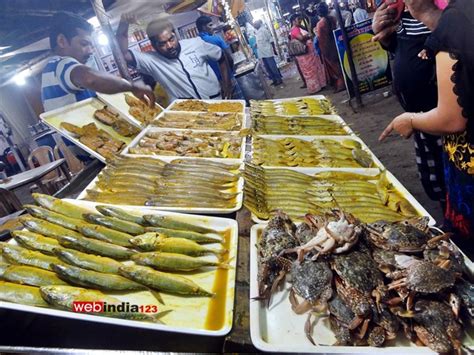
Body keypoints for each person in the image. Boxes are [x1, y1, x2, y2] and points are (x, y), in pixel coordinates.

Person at [379, 0, 474, 257]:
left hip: (468, 158)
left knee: (467, 248)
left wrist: (410, 120)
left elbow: (451, 118)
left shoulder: (454, 21)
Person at [372, 4, 446, 211]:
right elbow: (401, 47)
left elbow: (457, 34)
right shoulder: (402, 10)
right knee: (436, 181)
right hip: (421, 117)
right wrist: (384, 34)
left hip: (448, 116)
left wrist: (425, 12)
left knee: (456, 178)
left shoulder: (447, 9)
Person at [41, 12, 154, 113]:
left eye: (92, 46)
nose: (90, 51)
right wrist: (132, 87)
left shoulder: (52, 69)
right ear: (62, 41)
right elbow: (90, 79)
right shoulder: (62, 64)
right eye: (84, 44)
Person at [116, 14, 232, 101]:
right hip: (190, 116)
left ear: (175, 34)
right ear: (154, 45)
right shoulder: (152, 61)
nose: (170, 46)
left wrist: (227, 84)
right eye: (162, 43)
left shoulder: (196, 43)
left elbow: (220, 56)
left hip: (218, 102)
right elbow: (122, 52)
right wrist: (124, 23)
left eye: (171, 39)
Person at [195, 16, 245, 100]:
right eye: (210, 25)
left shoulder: (195, 43)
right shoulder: (216, 39)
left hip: (212, 85)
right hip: (227, 78)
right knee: (239, 103)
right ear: (204, 27)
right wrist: (231, 71)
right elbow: (229, 57)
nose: (213, 28)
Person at [289, 14, 326, 94]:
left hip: (309, 54)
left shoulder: (299, 28)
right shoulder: (294, 29)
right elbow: (301, 38)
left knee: (314, 69)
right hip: (304, 55)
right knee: (310, 71)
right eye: (298, 19)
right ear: (293, 21)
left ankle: (319, 85)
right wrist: (308, 36)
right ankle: (315, 87)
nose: (299, 21)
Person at [315, 3, 345, 92]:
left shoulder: (320, 24)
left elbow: (321, 39)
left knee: (334, 68)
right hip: (336, 44)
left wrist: (322, 51)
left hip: (327, 48)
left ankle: (341, 84)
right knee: (339, 64)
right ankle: (343, 82)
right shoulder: (332, 19)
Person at [254, 20, 283, 86]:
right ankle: (274, 79)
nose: (254, 25)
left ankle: (279, 79)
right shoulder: (257, 32)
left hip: (267, 52)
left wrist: (274, 49)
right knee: (267, 68)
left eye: (255, 24)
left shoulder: (264, 30)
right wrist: (256, 44)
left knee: (272, 66)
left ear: (259, 24)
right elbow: (260, 41)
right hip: (262, 53)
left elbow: (271, 40)